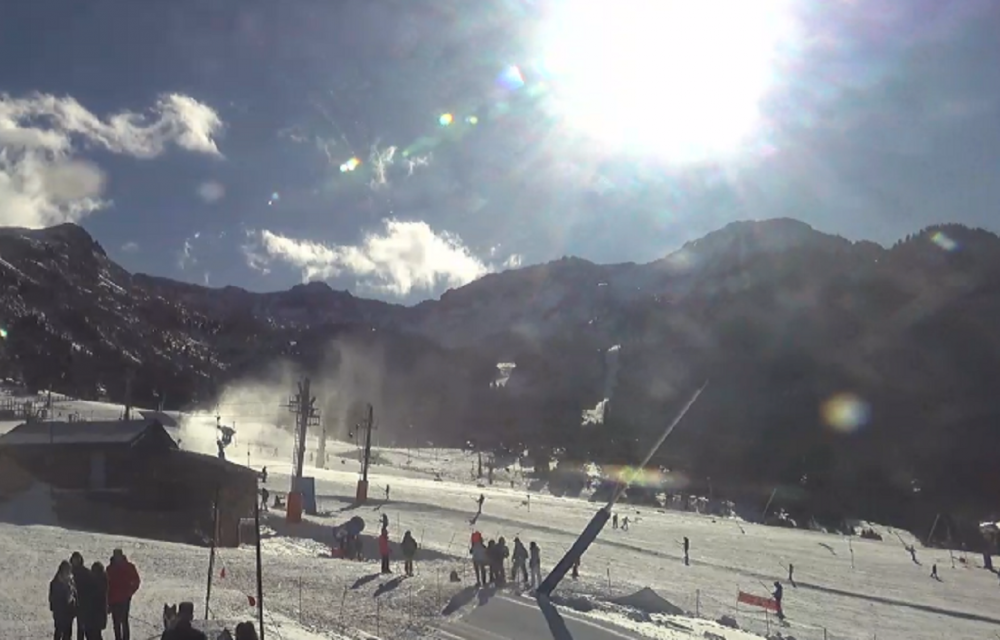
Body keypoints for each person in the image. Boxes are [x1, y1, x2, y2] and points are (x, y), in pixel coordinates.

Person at [107, 549, 141, 640]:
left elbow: (136, 581)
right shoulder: (110, 568)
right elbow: (107, 585)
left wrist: (130, 592)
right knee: (116, 623)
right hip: (113, 599)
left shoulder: (129, 567)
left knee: (124, 620)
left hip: (125, 598)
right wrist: (107, 600)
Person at [81, 561, 109, 640]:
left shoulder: (97, 584)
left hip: (93, 615)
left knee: (93, 634)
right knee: (94, 634)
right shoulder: (102, 582)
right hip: (94, 615)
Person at [50, 561, 76, 640]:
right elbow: (53, 598)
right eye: (67, 571)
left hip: (69, 612)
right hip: (60, 612)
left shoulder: (70, 581)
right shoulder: (56, 583)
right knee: (59, 632)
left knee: (67, 634)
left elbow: (74, 593)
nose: (68, 573)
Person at [70, 552, 91, 640]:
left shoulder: (85, 572)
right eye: (74, 559)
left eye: (77, 559)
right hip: (71, 602)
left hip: (83, 602)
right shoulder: (69, 572)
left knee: (81, 626)